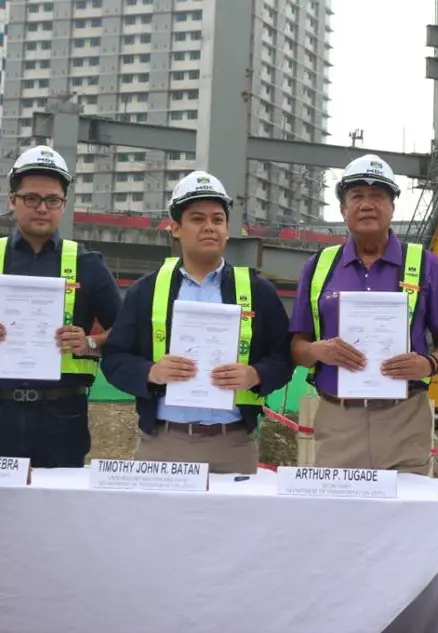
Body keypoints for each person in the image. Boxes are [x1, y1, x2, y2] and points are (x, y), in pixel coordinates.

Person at [100, 171, 294, 474]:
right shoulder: (147, 291)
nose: (209, 227)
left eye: (217, 219)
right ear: (175, 228)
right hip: (163, 442)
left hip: (233, 445)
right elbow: (113, 358)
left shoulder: (257, 291)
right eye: (197, 219)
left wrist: (255, 374)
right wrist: (151, 372)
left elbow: (285, 355)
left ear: (228, 229)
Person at [289, 154, 438, 475]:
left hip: (404, 419)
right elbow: (297, 346)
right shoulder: (318, 267)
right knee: (341, 519)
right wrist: (318, 351)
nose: (367, 205)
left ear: (393, 207)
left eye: (378, 196)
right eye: (357, 196)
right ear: (343, 209)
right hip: (339, 419)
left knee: (406, 520)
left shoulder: (424, 265)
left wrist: (429, 364)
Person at [0, 145, 122, 467]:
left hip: (61, 419)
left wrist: (90, 342)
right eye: (31, 198)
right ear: (12, 201)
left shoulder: (88, 265)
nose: (42, 208)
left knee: (57, 513)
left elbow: (127, 332)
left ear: (63, 205)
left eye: (52, 200)